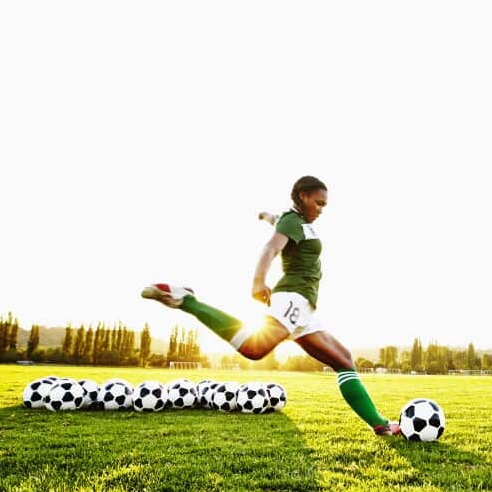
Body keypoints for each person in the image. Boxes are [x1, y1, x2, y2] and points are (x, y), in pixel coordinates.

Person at [141, 175, 401, 435]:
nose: (321, 210)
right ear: (304, 197)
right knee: (255, 349)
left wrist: (267, 217)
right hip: (293, 297)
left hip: (306, 308)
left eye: (325, 206)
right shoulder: (292, 220)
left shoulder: (296, 222)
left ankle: (379, 424)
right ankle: (186, 301)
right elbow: (270, 249)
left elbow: (280, 222)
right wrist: (258, 281)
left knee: (344, 360)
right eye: (319, 203)